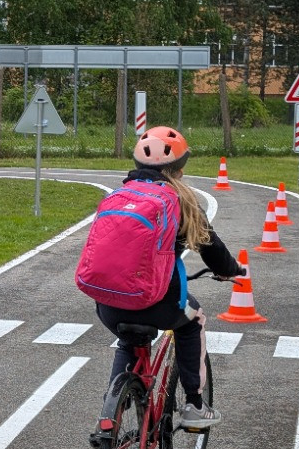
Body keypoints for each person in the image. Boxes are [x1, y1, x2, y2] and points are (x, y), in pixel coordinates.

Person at [93, 126, 244, 428]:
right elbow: (211, 248)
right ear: (180, 167)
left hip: (108, 304)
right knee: (194, 320)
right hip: (160, 303)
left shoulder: (119, 197)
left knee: (128, 341)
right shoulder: (182, 201)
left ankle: (110, 416)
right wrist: (230, 270)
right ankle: (194, 406)